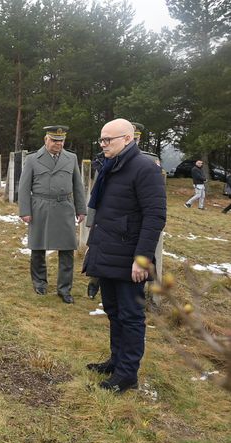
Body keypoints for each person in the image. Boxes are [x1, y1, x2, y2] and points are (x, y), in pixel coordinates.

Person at [83, 118, 166, 393]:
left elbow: (154, 217)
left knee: (130, 316)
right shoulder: (110, 166)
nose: (103, 144)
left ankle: (127, 374)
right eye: (102, 140)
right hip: (107, 250)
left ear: (128, 139)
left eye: (109, 140)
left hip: (130, 256)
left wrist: (142, 258)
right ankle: (116, 361)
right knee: (113, 310)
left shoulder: (144, 169)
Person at [18, 126, 86, 304]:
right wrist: (25, 211)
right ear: (46, 140)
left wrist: (81, 209)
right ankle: (39, 282)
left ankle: (64, 289)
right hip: (40, 206)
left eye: (61, 140)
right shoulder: (33, 159)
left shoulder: (71, 158)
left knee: (66, 250)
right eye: (55, 140)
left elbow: (77, 185)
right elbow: (24, 187)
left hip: (64, 207)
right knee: (38, 247)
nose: (59, 144)